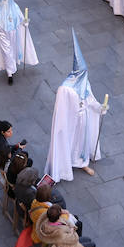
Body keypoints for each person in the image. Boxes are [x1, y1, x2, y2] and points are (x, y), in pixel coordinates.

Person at [45, 30, 108, 181]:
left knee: (83, 141)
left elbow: (90, 99)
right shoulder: (65, 88)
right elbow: (61, 110)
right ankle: (68, 163)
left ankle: (82, 161)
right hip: (71, 122)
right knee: (71, 141)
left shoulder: (84, 83)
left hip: (83, 118)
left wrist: (100, 108)